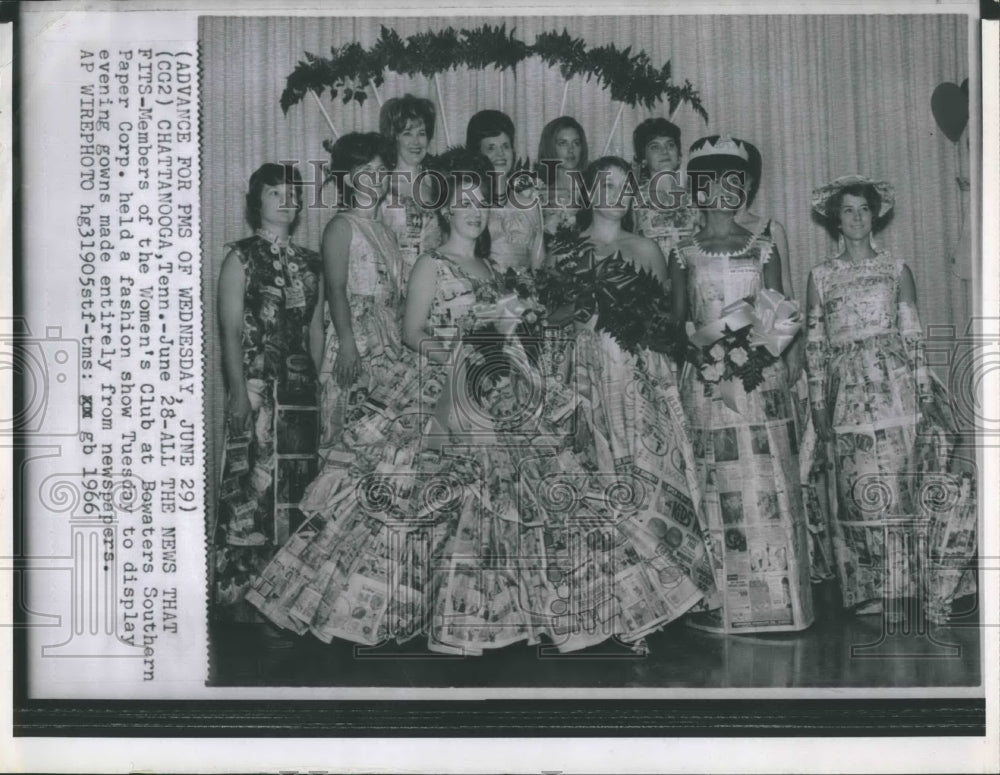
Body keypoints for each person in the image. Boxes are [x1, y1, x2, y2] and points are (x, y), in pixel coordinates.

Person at [541, 156, 719, 646]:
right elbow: (547, 315)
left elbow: (664, 324)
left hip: (635, 381)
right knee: (596, 482)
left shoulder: (646, 248)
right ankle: (615, 608)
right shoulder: (563, 250)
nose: (615, 194)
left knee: (646, 478)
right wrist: (580, 311)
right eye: (606, 185)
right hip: (583, 379)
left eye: (624, 187)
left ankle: (662, 596)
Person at [805, 175, 976, 621]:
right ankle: (872, 588)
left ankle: (915, 587)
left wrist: (923, 395)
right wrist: (818, 403)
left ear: (875, 214)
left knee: (903, 486)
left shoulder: (897, 269)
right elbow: (815, 344)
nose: (857, 217)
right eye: (848, 210)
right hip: (845, 395)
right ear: (835, 218)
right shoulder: (821, 276)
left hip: (896, 389)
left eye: (864, 209)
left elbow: (914, 335)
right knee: (858, 490)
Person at [671, 136, 814, 634]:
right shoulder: (683, 251)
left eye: (735, 183)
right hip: (708, 385)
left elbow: (781, 311)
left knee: (764, 481)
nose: (725, 193)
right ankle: (721, 604)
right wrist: (708, 351)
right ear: (698, 190)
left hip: (759, 380)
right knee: (715, 485)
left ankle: (779, 603)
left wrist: (751, 356)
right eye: (713, 184)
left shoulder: (763, 245)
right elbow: (677, 322)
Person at [214, 162, 324, 618]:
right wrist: (238, 392)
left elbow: (317, 330)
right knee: (248, 488)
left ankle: (284, 597)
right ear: (256, 201)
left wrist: (316, 388)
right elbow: (230, 330)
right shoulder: (239, 257)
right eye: (275, 192)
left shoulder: (310, 262)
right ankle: (237, 595)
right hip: (256, 388)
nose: (286, 199)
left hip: (299, 393)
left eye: (292, 191)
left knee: (297, 486)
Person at [313, 132, 405, 455]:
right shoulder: (341, 226)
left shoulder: (388, 233)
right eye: (368, 172)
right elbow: (336, 290)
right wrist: (348, 343)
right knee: (347, 436)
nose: (377, 180)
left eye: (382, 172)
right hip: (354, 340)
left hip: (388, 341)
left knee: (383, 437)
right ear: (350, 179)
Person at [465, 109, 544, 272]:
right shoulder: (467, 204)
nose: (500, 154)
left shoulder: (529, 205)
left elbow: (539, 268)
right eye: (491, 148)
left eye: (505, 146)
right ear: (477, 154)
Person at [378, 94, 442, 290]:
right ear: (394, 136)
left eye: (421, 133)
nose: (416, 142)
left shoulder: (439, 184)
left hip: (434, 286)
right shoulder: (380, 186)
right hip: (391, 288)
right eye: (407, 133)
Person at [631, 118, 700, 274]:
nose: (664, 151)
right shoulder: (633, 199)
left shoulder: (695, 198)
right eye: (655, 147)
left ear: (679, 156)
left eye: (670, 145)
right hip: (650, 281)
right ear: (643, 159)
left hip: (692, 278)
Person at [537, 115, 588, 236]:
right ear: (550, 147)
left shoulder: (595, 192)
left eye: (576, 143)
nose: (571, 150)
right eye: (563, 143)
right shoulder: (540, 196)